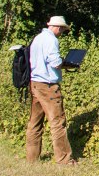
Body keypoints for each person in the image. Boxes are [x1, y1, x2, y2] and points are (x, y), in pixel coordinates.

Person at [26, 15, 79, 165]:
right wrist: (68, 64)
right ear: (58, 27)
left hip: (35, 82)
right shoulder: (51, 40)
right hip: (48, 86)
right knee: (57, 122)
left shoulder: (38, 38)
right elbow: (55, 62)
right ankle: (64, 160)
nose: (62, 32)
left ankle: (32, 158)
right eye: (62, 29)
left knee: (35, 122)